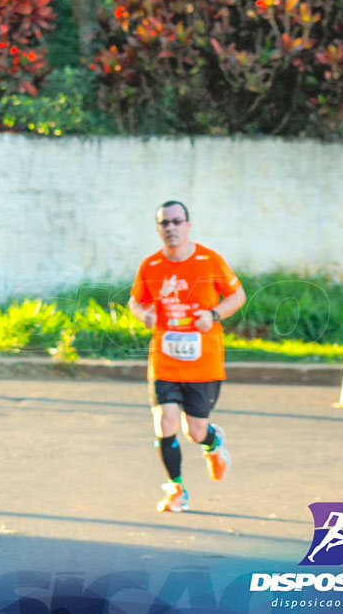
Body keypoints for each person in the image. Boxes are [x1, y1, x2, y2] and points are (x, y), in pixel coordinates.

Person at [128, 200, 246, 513]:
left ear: (188, 225)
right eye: (164, 223)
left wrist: (215, 314)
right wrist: (144, 315)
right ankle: (176, 490)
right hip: (164, 358)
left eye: (176, 222)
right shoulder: (151, 266)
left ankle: (213, 442)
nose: (171, 228)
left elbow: (238, 294)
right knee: (164, 421)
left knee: (194, 432)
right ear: (158, 228)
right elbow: (134, 301)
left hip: (202, 361)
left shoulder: (209, 260)